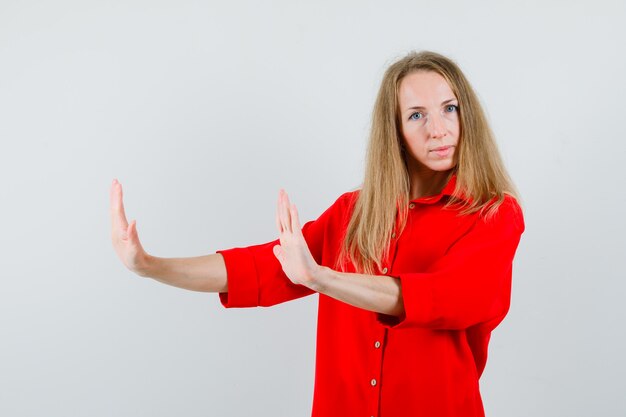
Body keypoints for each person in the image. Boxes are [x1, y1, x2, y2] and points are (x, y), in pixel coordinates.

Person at [110, 50, 525, 417]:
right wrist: (149, 265)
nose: (438, 129)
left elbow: (442, 298)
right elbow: (261, 268)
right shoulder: (353, 212)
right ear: (394, 130)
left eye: (449, 108)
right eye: (417, 115)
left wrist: (321, 277)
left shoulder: (495, 214)